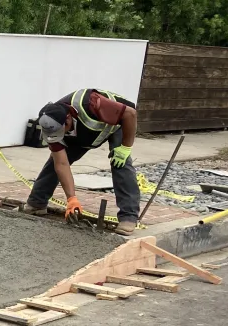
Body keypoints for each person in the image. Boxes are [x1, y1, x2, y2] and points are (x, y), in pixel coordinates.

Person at [21, 89, 140, 235]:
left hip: (120, 123)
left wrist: (125, 148)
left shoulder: (92, 104)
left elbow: (130, 114)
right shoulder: (51, 123)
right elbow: (61, 164)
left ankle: (128, 217)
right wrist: (72, 199)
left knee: (120, 163)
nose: (58, 136)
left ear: (68, 118)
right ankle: (37, 203)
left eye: (60, 132)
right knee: (55, 162)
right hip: (85, 135)